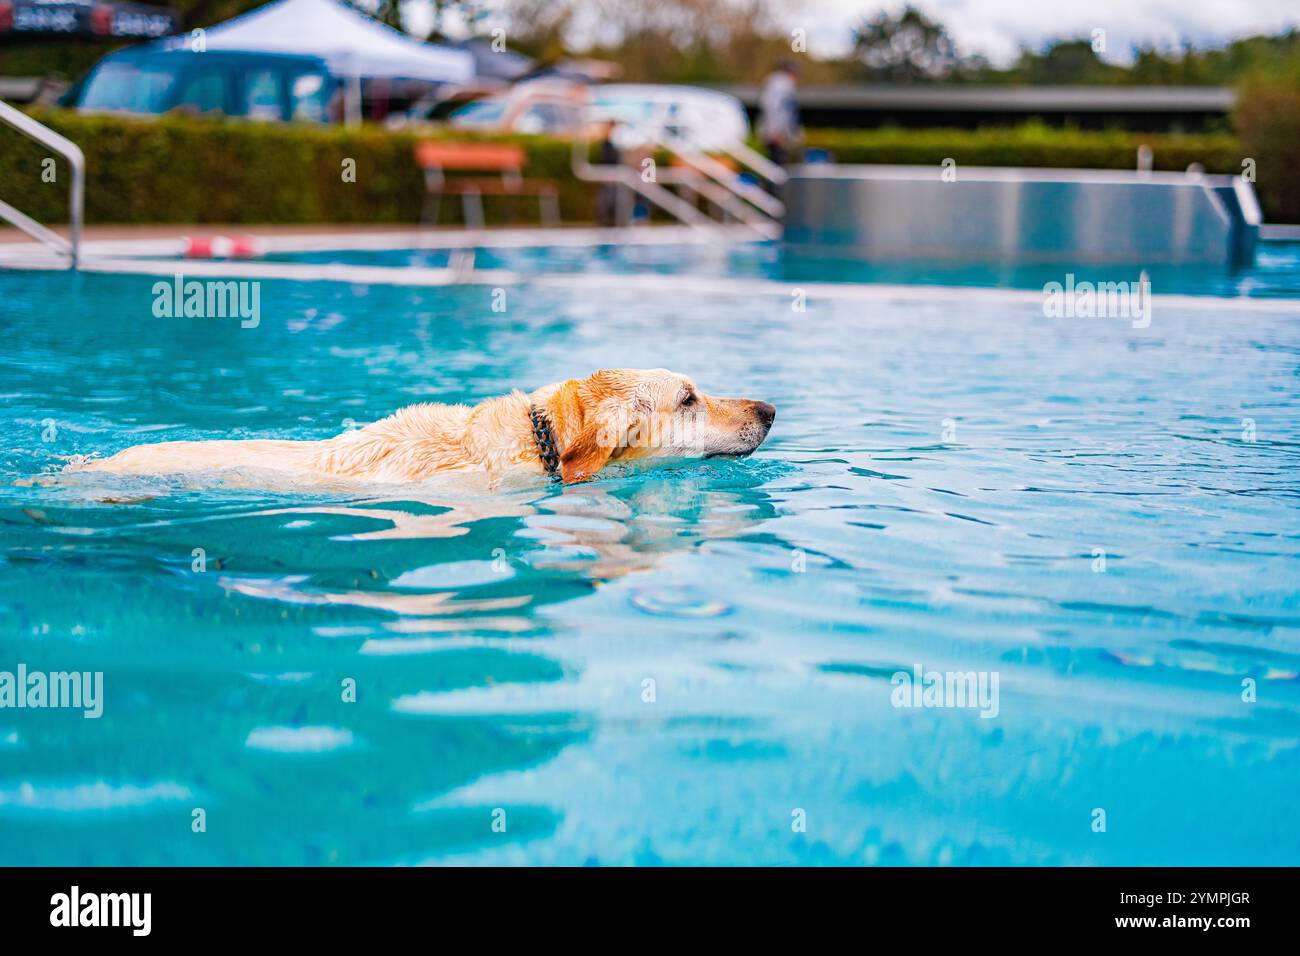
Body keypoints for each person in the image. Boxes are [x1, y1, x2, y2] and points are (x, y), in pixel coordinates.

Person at [758, 59, 800, 169]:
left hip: (778, 134)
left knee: (777, 167)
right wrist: (776, 132)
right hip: (776, 135)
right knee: (775, 169)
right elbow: (773, 108)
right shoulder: (779, 85)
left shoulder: (781, 84)